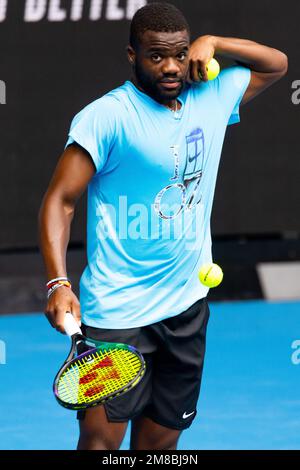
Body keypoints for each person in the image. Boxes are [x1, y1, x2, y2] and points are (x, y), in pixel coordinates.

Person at [38, 2, 287, 451]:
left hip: (186, 309)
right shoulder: (106, 117)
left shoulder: (212, 96)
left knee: (159, 449)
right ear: (132, 55)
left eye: (179, 53)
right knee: (99, 444)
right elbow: (60, 200)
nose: (171, 66)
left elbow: (277, 64)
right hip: (117, 314)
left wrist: (215, 42)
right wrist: (58, 281)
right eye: (156, 56)